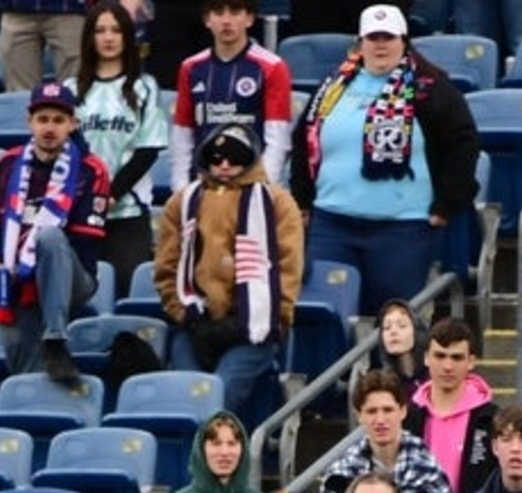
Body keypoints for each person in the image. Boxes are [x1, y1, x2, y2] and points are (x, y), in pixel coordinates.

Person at [286, 9, 480, 320]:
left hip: (402, 229)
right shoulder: (333, 86)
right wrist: (302, 200)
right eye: (372, 38)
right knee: (326, 316)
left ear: (404, 41)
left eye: (388, 37)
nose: (380, 45)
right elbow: (303, 140)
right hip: (332, 224)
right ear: (359, 43)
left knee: (392, 323)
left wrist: (446, 205)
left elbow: (463, 144)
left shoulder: (431, 87)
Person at [153, 123, 300, 427]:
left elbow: (288, 269)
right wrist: (186, 315)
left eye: (234, 158)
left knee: (213, 406)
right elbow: (166, 268)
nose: (224, 165)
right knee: (185, 404)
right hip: (194, 323)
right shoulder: (182, 202)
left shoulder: (278, 202)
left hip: (254, 328)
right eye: (216, 158)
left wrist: (266, 318)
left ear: (250, 160)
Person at [0, 79, 113, 385]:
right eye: (43, 119)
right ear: (30, 121)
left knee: (49, 237)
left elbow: (86, 241)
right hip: (16, 277)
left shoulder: (91, 169)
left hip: (73, 275)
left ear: (73, 123)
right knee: (26, 371)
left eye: (58, 120)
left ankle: (55, 336)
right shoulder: (7, 164)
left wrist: (31, 256)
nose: (49, 128)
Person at [314, 370, 462, 493]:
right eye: (371, 411)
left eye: (388, 410)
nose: (380, 420)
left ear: (403, 411)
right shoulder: (340, 475)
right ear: (359, 416)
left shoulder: (429, 472)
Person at [74, 0, 165, 297]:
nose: (109, 37)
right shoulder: (70, 89)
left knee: (126, 296)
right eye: (100, 30)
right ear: (90, 37)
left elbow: (147, 150)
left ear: (128, 36)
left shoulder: (145, 87)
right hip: (79, 213)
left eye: (116, 30)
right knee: (81, 299)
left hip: (128, 212)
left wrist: (110, 194)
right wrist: (90, 195)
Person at [166, 0, 291, 188]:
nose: (226, 20)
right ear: (207, 20)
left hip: (252, 184)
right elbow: (182, 136)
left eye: (234, 12)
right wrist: (181, 190)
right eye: (218, 12)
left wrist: (262, 188)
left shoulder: (273, 67)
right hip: (204, 185)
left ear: (249, 18)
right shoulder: (190, 68)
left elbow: (278, 139)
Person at [408, 315, 496, 493]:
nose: (448, 366)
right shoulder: (406, 416)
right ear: (426, 358)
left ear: (471, 361)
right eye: (440, 356)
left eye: (456, 357)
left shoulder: (492, 420)